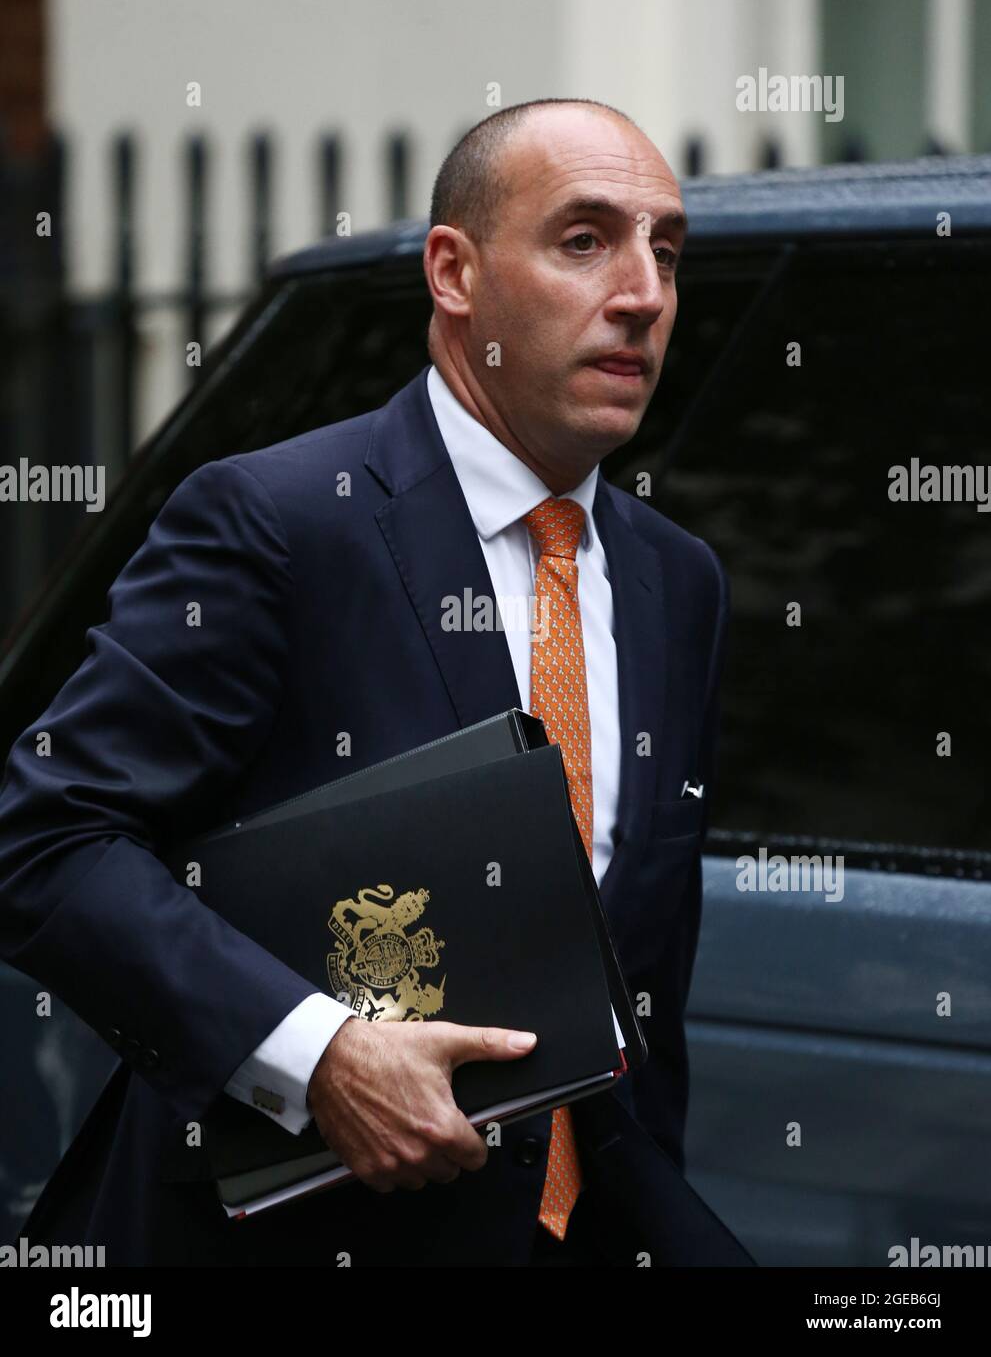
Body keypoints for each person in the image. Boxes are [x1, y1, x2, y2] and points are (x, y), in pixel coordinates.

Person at [0, 97, 731, 1267]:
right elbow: (47, 838)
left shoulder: (674, 582)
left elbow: (643, 997)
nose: (644, 292)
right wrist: (320, 1053)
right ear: (454, 272)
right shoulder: (281, 522)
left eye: (667, 249)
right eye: (585, 239)